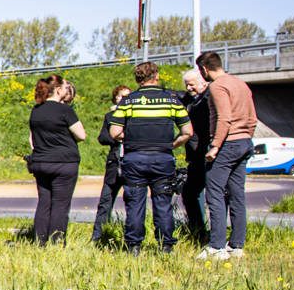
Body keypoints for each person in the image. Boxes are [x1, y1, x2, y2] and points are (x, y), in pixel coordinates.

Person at [106, 62, 192, 253]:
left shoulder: (128, 101)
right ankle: (166, 245)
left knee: (135, 203)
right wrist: (172, 144)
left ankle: (134, 246)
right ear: (157, 76)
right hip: (162, 158)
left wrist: (131, 139)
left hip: (134, 158)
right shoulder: (171, 100)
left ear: (137, 79)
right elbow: (187, 131)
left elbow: (114, 132)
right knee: (163, 203)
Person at [197, 50, 258, 259]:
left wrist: (215, 146)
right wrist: (246, 137)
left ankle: (216, 247)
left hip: (226, 145)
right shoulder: (241, 84)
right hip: (244, 142)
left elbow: (224, 118)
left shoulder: (218, 86)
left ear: (204, 68)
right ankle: (237, 245)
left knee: (214, 192)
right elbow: (252, 118)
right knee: (237, 194)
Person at [26, 75, 83, 245]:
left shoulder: (36, 110)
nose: (67, 90)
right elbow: (81, 135)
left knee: (44, 202)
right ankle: (56, 241)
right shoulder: (65, 111)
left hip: (41, 162)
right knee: (60, 204)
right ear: (58, 90)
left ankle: (39, 241)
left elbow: (32, 139)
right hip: (63, 163)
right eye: (65, 87)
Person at [92, 84, 130, 244]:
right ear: (115, 98)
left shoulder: (135, 116)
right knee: (105, 200)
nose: (123, 99)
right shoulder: (110, 116)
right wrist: (117, 137)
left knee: (132, 200)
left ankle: (131, 235)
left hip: (130, 162)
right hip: (114, 163)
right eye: (120, 96)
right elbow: (102, 137)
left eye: (127, 96)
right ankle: (98, 236)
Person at [179, 69, 213, 243]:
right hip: (195, 155)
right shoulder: (192, 99)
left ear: (204, 82)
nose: (188, 88)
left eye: (192, 84)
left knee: (214, 195)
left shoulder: (209, 99)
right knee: (190, 192)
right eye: (186, 85)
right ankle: (199, 231)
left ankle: (214, 236)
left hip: (207, 153)